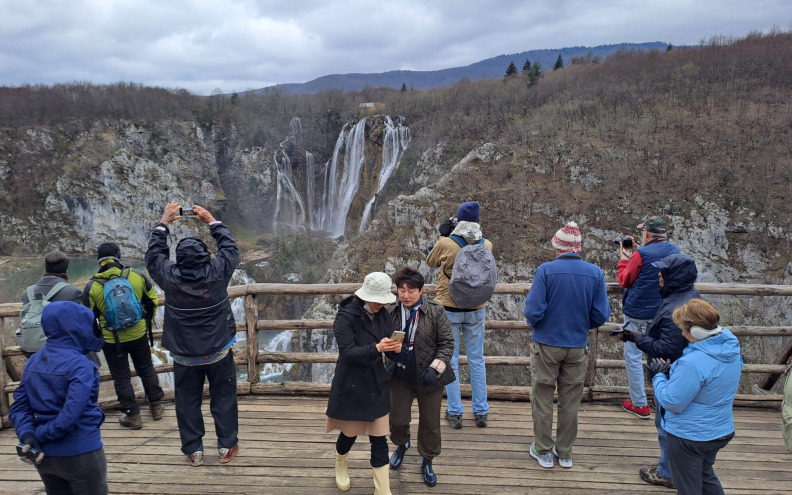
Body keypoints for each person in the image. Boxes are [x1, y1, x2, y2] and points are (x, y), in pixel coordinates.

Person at [145, 201, 240, 467]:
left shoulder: (170, 278)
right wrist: (212, 221)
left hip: (185, 355)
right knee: (223, 399)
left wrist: (164, 223)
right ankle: (226, 446)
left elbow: (154, 256)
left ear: (179, 260)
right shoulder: (218, 273)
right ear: (205, 256)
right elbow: (230, 249)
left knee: (187, 402)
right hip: (218, 351)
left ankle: (194, 450)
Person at [523, 221, 611, 469]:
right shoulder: (595, 273)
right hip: (577, 344)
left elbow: (533, 310)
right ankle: (565, 453)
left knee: (542, 397)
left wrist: (538, 324)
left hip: (547, 344)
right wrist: (582, 325)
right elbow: (601, 314)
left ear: (558, 247)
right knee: (570, 401)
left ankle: (543, 451)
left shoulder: (545, 271)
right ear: (578, 248)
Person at [618, 253, 699, 489]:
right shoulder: (684, 297)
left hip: (672, 372)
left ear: (675, 277)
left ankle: (667, 473)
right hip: (680, 372)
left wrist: (637, 338)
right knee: (669, 422)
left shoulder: (678, 309)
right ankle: (670, 468)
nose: (659, 276)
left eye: (663, 272)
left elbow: (668, 348)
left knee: (666, 424)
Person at [10, 301, 108, 495]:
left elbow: (19, 406)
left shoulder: (34, 361)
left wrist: (28, 435)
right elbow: (71, 414)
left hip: (44, 456)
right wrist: (38, 435)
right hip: (81, 452)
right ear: (77, 327)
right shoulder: (81, 365)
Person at [649, 299, 742, 495]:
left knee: (687, 488)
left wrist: (658, 376)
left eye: (685, 329)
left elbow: (671, 402)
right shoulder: (730, 350)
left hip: (690, 436)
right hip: (719, 430)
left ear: (698, 333)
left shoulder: (693, 362)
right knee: (705, 477)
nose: (682, 333)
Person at [326, 272, 401, 495]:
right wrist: (377, 349)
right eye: (376, 300)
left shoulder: (383, 315)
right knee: (349, 433)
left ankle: (383, 491)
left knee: (380, 439)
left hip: (376, 382)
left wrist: (395, 349)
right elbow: (347, 353)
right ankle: (340, 462)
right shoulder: (345, 316)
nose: (379, 305)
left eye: (382, 301)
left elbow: (389, 349)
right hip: (351, 383)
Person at [83, 242, 164, 430]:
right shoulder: (136, 276)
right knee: (146, 368)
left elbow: (87, 315)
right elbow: (152, 300)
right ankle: (156, 406)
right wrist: (146, 323)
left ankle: (133, 415)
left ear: (99, 261)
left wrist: (98, 335)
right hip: (138, 334)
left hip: (112, 340)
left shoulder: (92, 285)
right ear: (119, 256)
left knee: (121, 377)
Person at [387, 266, 456, 487]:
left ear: (421, 290)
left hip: (429, 376)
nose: (405, 295)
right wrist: (388, 351)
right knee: (397, 419)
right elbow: (382, 340)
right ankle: (402, 444)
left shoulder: (435, 311)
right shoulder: (390, 311)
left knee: (430, 423)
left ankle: (427, 459)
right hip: (399, 373)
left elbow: (447, 343)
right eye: (401, 290)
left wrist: (435, 368)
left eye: (411, 290)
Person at [427, 201, 493, 429]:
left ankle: (455, 412)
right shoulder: (487, 245)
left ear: (458, 220)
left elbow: (430, 262)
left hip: (449, 309)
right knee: (477, 359)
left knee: (450, 360)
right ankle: (481, 411)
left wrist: (443, 234)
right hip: (476, 309)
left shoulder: (446, 243)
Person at [617, 215, 679, 419]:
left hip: (637, 314)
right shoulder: (674, 250)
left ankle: (639, 404)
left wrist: (625, 259)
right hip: (661, 312)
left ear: (646, 234)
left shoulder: (641, 254)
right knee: (658, 353)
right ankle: (659, 398)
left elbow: (625, 280)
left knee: (633, 358)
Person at [17, 251, 83, 357]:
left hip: (33, 352)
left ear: (46, 268)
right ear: (66, 270)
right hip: (62, 353)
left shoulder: (27, 292)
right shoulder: (73, 292)